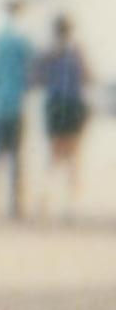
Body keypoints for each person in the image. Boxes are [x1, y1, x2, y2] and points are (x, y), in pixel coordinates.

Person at [0, 0, 35, 221]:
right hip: (15, 104)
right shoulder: (21, 41)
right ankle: (15, 204)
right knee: (16, 156)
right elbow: (32, 69)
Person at [40, 12, 92, 220]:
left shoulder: (49, 53)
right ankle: (69, 206)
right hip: (72, 106)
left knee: (53, 156)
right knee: (73, 157)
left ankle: (46, 199)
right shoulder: (77, 52)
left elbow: (38, 77)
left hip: (54, 106)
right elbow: (88, 76)